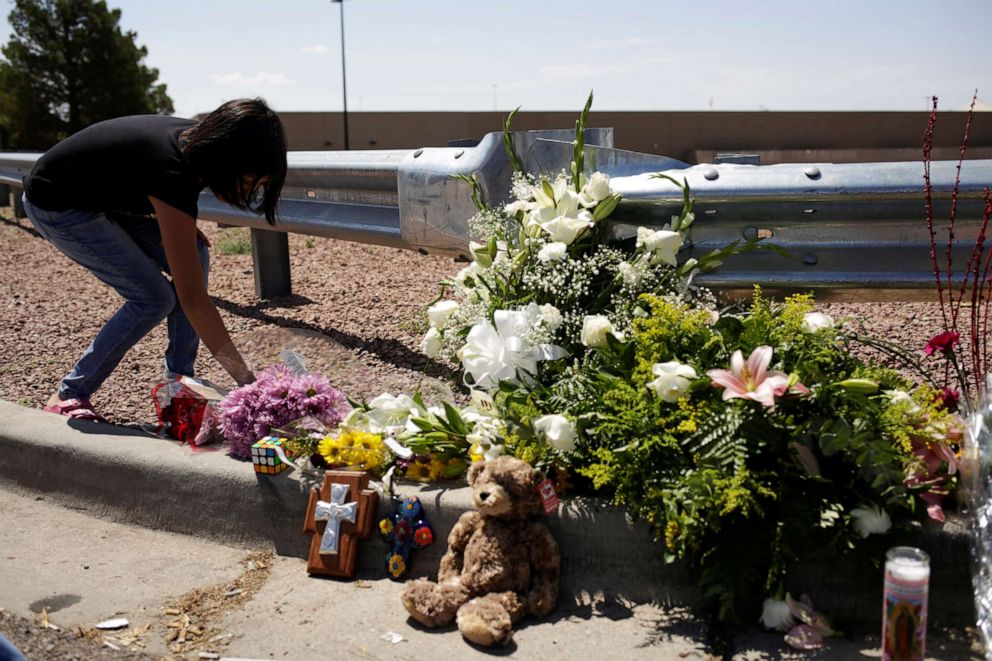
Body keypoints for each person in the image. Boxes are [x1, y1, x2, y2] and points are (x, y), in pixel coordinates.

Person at [22, 98, 287, 421]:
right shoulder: (173, 170)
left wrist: (181, 229)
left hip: (98, 197)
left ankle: (179, 387)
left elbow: (135, 176)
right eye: (247, 182)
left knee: (196, 251)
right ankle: (69, 393)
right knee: (152, 298)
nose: (247, 193)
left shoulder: (199, 145)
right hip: (57, 203)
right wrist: (247, 382)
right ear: (226, 160)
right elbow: (193, 300)